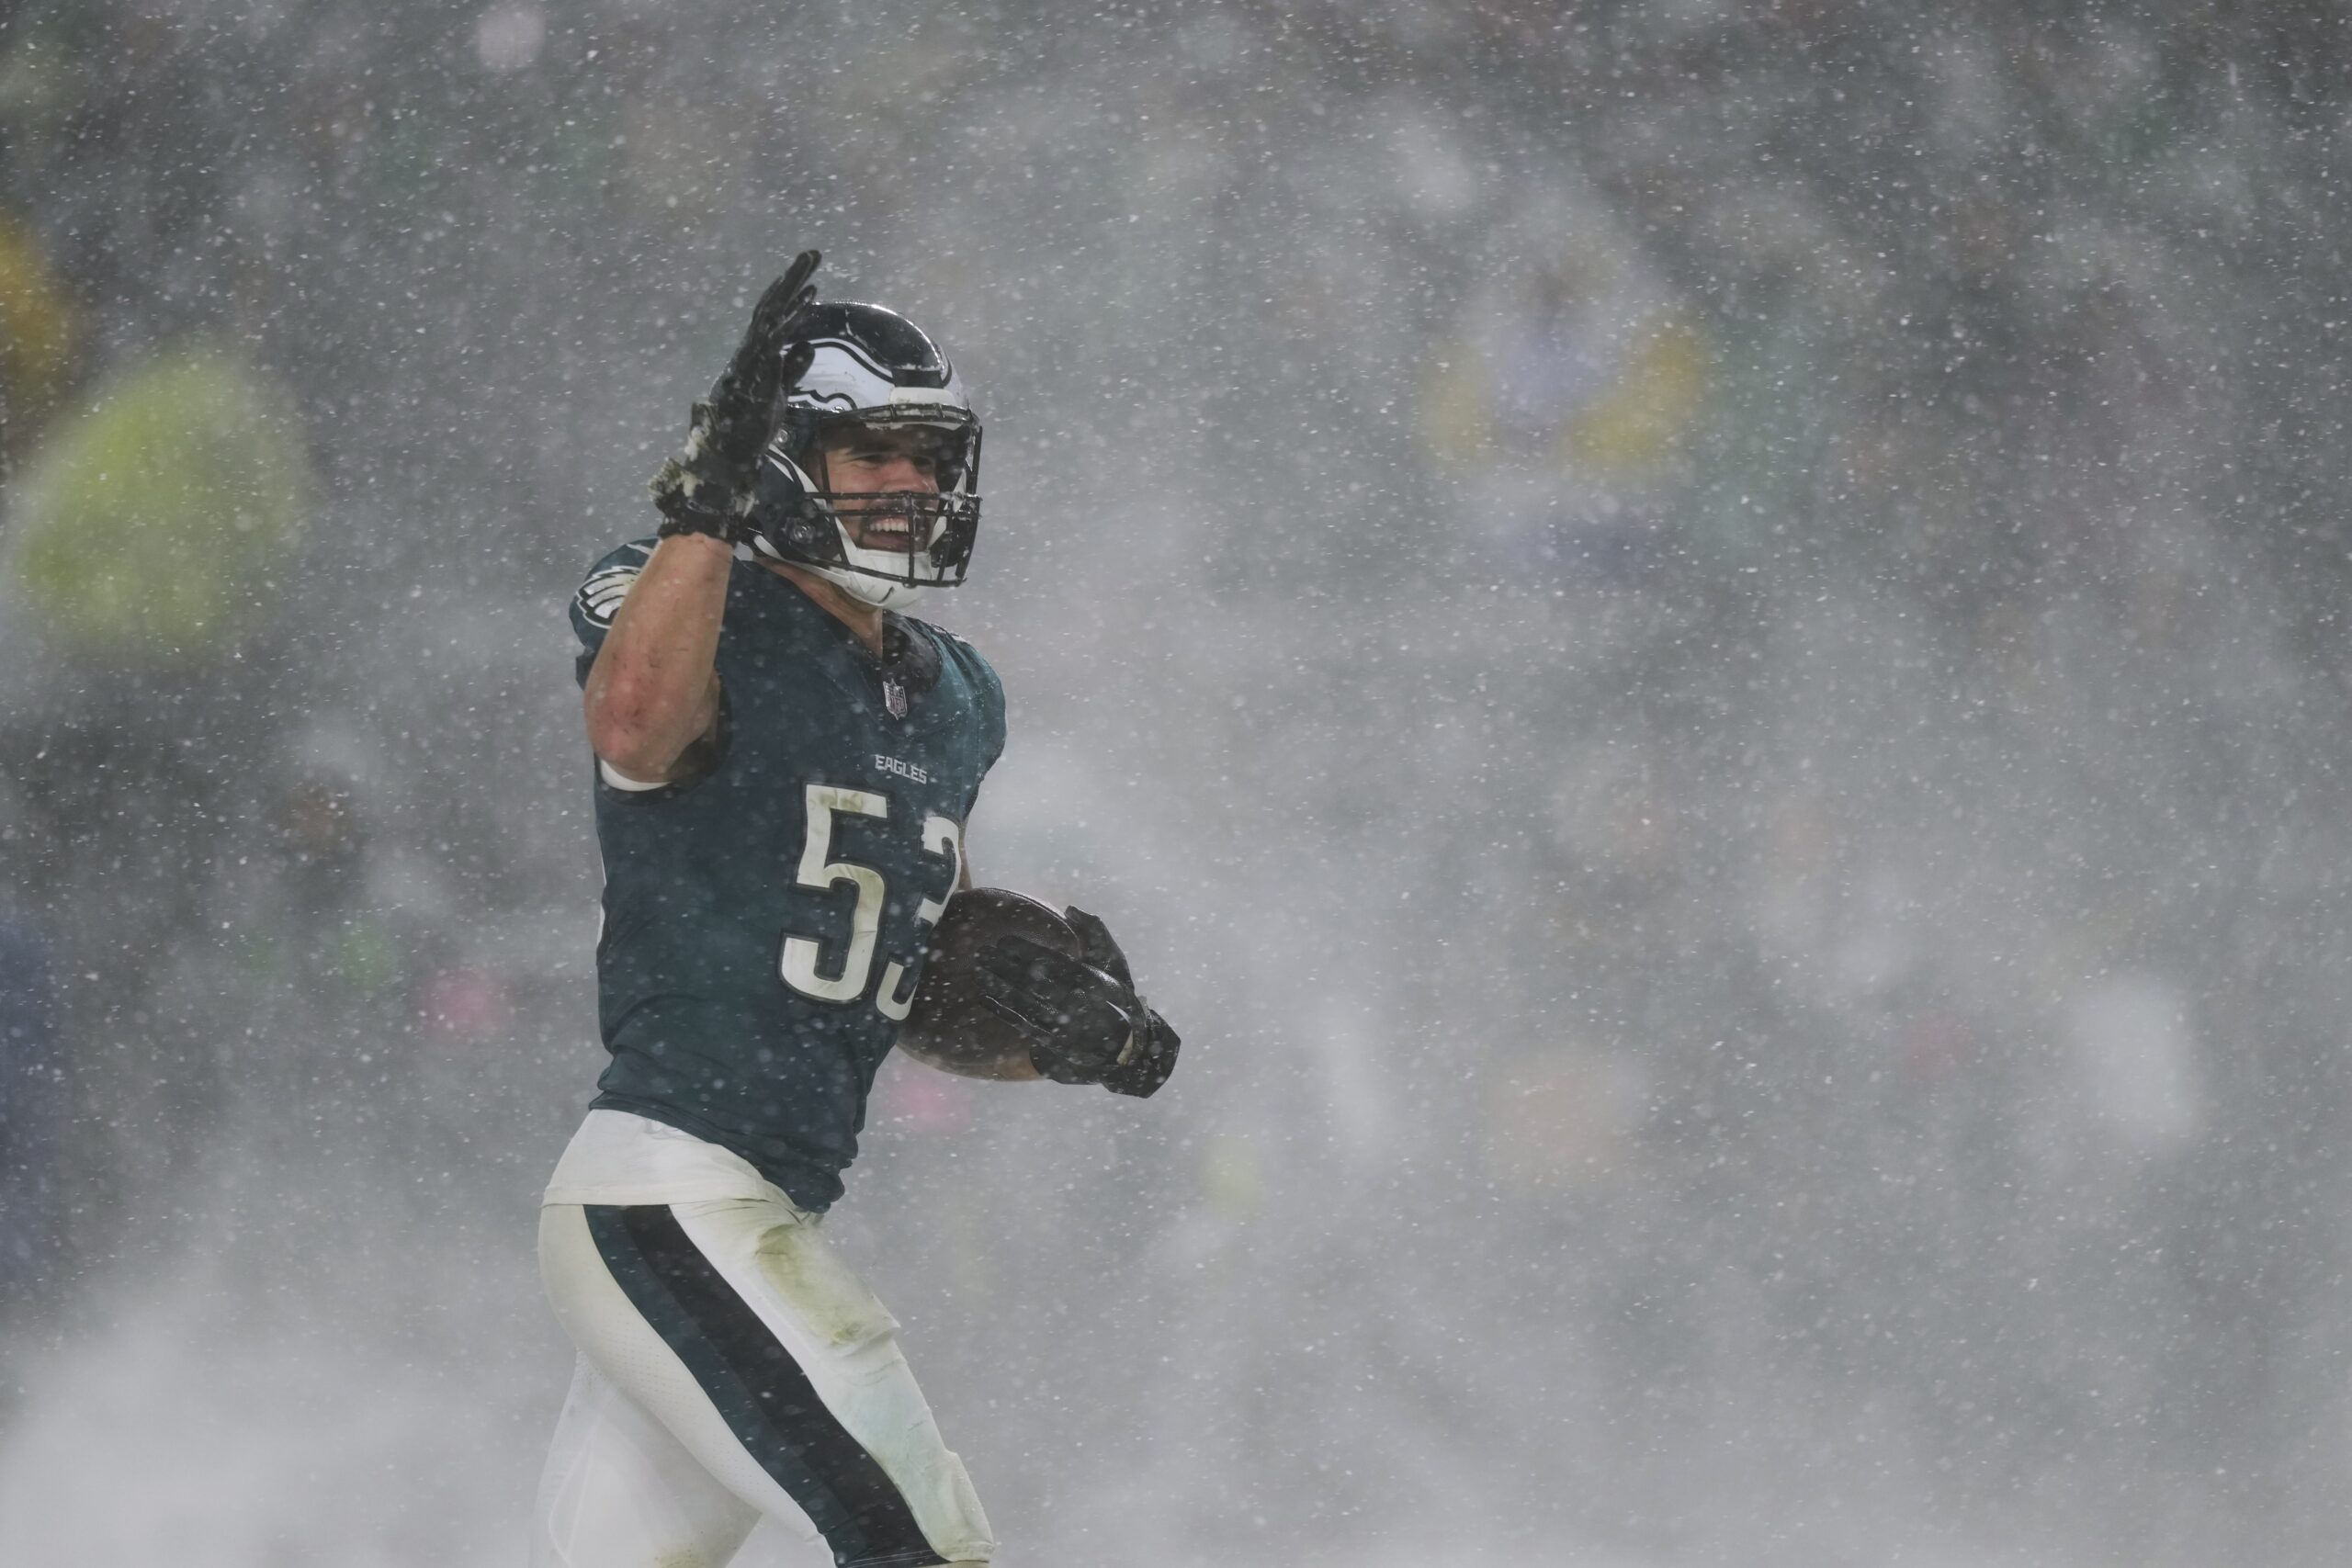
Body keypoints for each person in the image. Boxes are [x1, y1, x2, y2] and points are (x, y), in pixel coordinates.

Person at [532, 251, 1181, 1568]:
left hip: (758, 1204)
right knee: (919, 1545)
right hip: (670, 1192)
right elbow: (636, 727)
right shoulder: (687, 595)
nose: (912, 484)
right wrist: (700, 512)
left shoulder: (956, 695)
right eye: (870, 450)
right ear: (775, 460)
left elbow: (881, 977)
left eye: (929, 455)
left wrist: (1051, 1036)